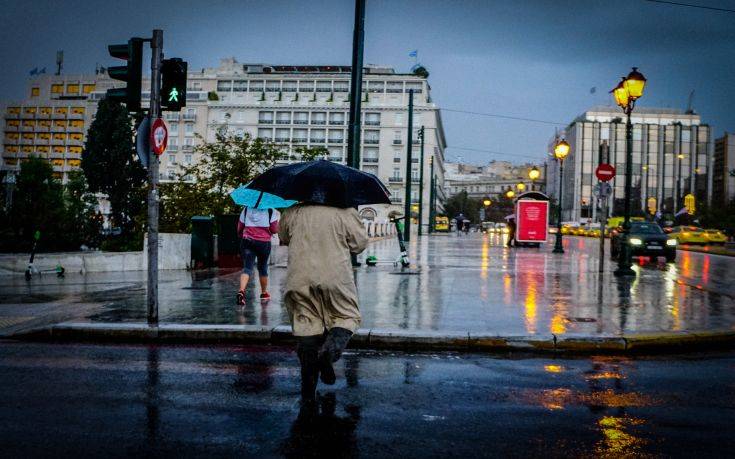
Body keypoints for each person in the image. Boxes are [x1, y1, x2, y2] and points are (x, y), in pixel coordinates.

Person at [278, 203, 368, 402]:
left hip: (299, 276)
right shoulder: (345, 211)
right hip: (335, 276)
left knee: (306, 326)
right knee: (346, 316)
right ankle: (329, 352)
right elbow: (359, 245)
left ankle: (308, 390)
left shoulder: (292, 211)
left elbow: (283, 237)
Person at [236, 206, 280, 305]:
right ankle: (264, 293)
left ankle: (241, 291)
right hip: (263, 243)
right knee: (263, 267)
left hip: (247, 241)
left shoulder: (246, 209)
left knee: (247, 268)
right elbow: (274, 229)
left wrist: (240, 235)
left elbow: (240, 226)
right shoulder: (270, 210)